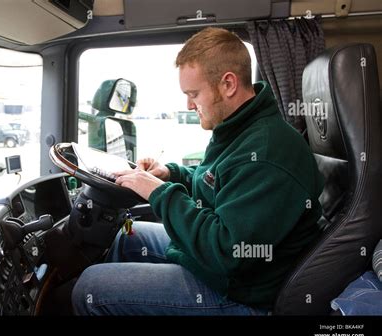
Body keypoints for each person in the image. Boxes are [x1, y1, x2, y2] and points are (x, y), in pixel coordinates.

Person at [71, 27, 324, 315]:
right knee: (127, 235)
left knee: (90, 288)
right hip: (228, 270)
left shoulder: (266, 153)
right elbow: (218, 184)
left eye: (193, 94)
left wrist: (159, 193)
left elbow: (227, 251)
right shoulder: (239, 129)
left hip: (243, 293)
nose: (189, 105)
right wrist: (171, 174)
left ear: (228, 84)